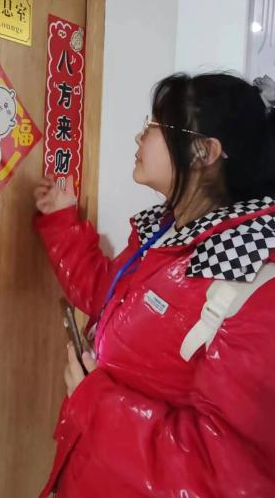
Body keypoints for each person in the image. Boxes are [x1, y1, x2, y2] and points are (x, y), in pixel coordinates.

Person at [34, 72, 275, 498]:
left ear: (203, 152)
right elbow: (107, 294)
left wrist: (93, 402)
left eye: (155, 125)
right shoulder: (168, 232)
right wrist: (62, 222)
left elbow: (221, 472)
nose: (140, 136)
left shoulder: (253, 284)